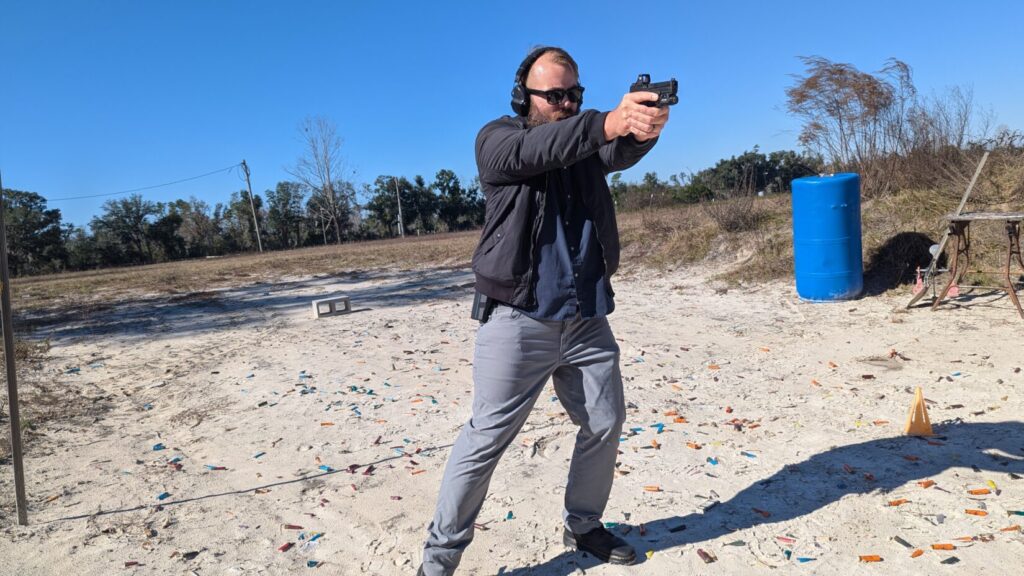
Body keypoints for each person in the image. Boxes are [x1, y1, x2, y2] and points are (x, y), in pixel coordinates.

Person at [419, 46, 671, 575]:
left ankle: (583, 524)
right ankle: (438, 562)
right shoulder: (497, 140)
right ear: (524, 96)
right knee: (485, 439)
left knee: (605, 422)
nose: (566, 102)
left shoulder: (582, 140)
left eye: (574, 94)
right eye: (555, 94)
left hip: (586, 317)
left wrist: (643, 129)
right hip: (518, 319)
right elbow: (540, 150)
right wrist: (606, 122)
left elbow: (614, 151)